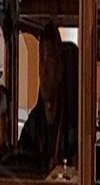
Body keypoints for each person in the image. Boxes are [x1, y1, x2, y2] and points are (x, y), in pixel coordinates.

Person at [15, 24, 77, 173]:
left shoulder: (74, 127)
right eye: (40, 60)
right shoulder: (32, 125)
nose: (43, 70)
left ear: (60, 69)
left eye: (48, 59)